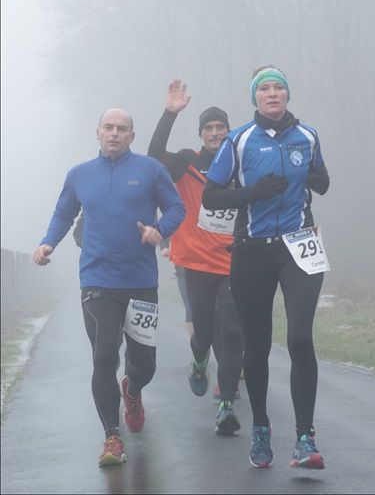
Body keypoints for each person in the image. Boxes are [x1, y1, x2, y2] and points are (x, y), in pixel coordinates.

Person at [33, 108, 185, 467]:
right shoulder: (80, 174)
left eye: (122, 129)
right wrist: (47, 243)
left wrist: (160, 231)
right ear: (98, 132)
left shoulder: (150, 170)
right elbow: (63, 213)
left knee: (144, 364)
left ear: (132, 136)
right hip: (97, 280)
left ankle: (132, 388)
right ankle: (112, 437)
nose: (114, 133)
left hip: (141, 281)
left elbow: (176, 208)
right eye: (108, 127)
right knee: (103, 354)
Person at [203, 66, 330, 469]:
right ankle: (260, 426)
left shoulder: (308, 135)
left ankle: (305, 438)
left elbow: (322, 181)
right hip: (252, 250)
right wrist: (251, 193)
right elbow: (210, 197)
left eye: (279, 88)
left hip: (299, 246)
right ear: (255, 98)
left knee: (300, 339)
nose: (272, 94)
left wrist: (319, 177)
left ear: (287, 95)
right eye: (265, 89)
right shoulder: (239, 140)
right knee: (257, 345)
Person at [148, 80, 245, 435]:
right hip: (196, 263)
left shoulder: (241, 166)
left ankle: (226, 406)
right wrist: (169, 113)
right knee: (203, 331)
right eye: (209, 128)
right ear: (202, 134)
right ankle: (200, 360)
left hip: (235, 263)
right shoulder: (187, 162)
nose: (215, 132)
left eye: (221, 127)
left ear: (229, 132)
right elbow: (154, 156)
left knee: (232, 333)